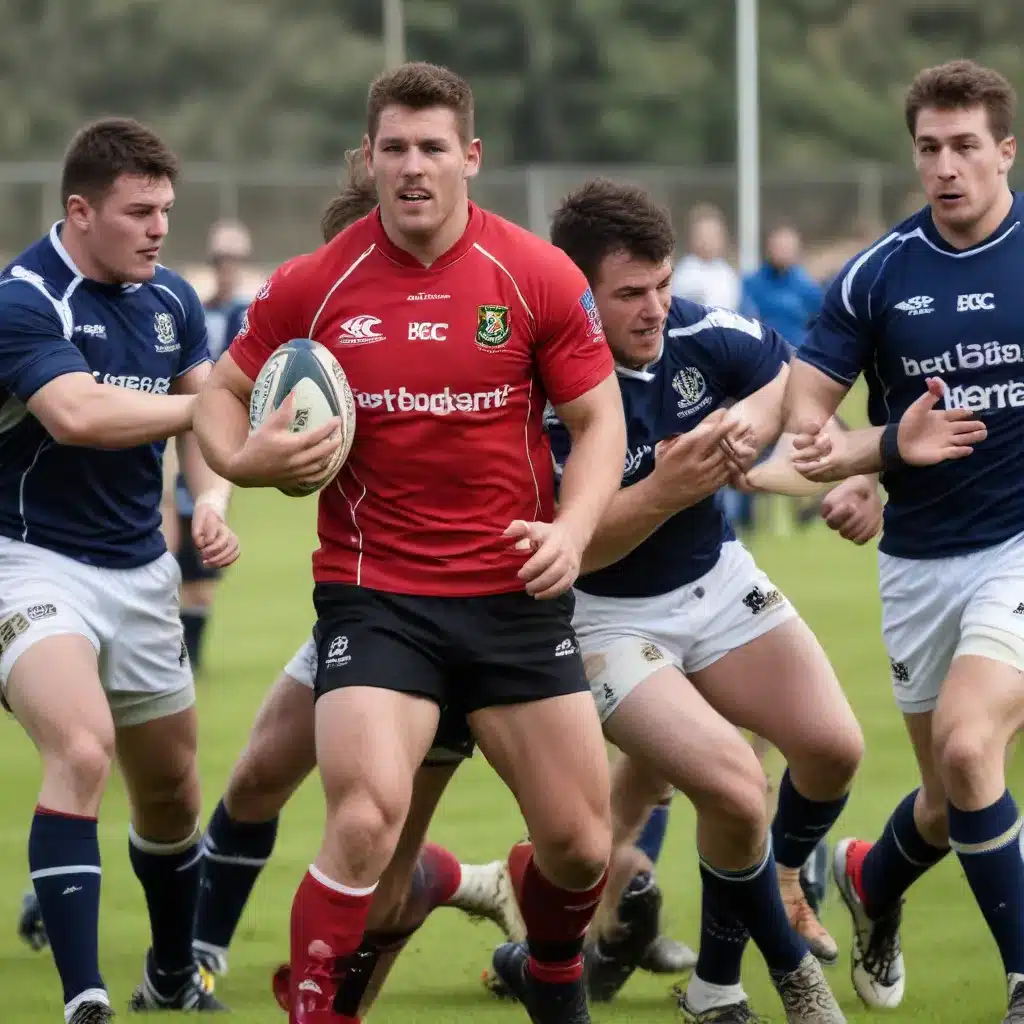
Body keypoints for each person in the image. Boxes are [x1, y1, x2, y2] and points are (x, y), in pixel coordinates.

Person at [193, 61, 627, 1024]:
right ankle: (315, 1011)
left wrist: (573, 527)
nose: (414, 167)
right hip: (377, 597)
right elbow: (219, 396)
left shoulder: (534, 273)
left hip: (514, 593)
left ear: (471, 157)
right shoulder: (318, 281)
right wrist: (251, 462)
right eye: (395, 148)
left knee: (582, 849)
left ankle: (551, 963)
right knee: (360, 820)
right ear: (371, 157)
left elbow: (601, 424)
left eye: (434, 148)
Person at [487, 178, 864, 1024]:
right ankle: (785, 973)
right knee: (733, 786)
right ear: (575, 291)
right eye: (630, 295)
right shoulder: (534, 387)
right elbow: (569, 547)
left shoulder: (698, 327)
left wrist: (788, 444)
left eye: (662, 286)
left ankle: (743, 927)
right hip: (600, 616)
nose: (656, 308)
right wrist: (663, 489)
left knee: (833, 749)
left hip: (717, 582)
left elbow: (800, 381)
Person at [191, 153, 524, 1010]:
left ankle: (548, 926)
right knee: (262, 774)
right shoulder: (330, 330)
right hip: (373, 604)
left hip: (491, 608)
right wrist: (243, 474)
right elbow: (256, 417)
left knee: (399, 856)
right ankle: (196, 957)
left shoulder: (491, 320)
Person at [783, 58, 1024, 1021]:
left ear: (1006, 149)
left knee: (970, 751)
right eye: (930, 148)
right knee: (946, 795)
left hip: (1018, 545)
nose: (947, 166)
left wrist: (864, 459)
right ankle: (874, 883)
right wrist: (876, 458)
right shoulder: (879, 274)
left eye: (967, 145)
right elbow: (808, 431)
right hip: (920, 565)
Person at [0, 117, 238, 1023]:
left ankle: (171, 974)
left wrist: (209, 502)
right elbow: (77, 416)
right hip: (28, 563)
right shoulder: (26, 299)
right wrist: (204, 416)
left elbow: (205, 426)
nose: (157, 229)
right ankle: (83, 997)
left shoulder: (170, 300)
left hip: (142, 571)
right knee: (82, 747)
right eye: (139, 212)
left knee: (173, 791)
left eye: (166, 211)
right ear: (80, 211)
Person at [170, 219, 251, 672]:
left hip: (214, 441)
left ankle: (189, 660)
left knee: (200, 559)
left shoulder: (249, 316)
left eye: (234, 261)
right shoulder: (195, 311)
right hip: (177, 438)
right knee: (168, 552)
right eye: (221, 261)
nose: (227, 269)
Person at [741, 224, 823, 350]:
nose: (783, 253)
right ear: (769, 248)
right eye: (779, 247)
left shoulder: (809, 288)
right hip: (762, 354)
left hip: (799, 357)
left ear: (797, 250)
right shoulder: (751, 283)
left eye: (787, 248)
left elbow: (820, 326)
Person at [670, 204, 742, 310]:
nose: (708, 241)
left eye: (713, 235)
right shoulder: (683, 273)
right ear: (693, 237)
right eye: (704, 235)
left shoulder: (729, 274)